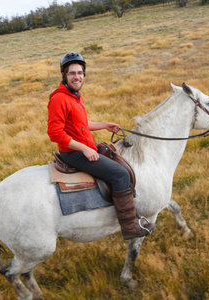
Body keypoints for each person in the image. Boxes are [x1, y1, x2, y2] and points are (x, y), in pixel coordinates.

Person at [47, 52, 154, 240]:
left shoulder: (75, 96)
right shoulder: (59, 99)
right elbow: (55, 133)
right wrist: (85, 149)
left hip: (84, 145)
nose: (77, 76)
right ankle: (129, 227)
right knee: (120, 174)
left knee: (119, 158)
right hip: (74, 153)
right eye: (72, 73)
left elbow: (80, 125)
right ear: (64, 75)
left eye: (80, 73)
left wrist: (104, 125)